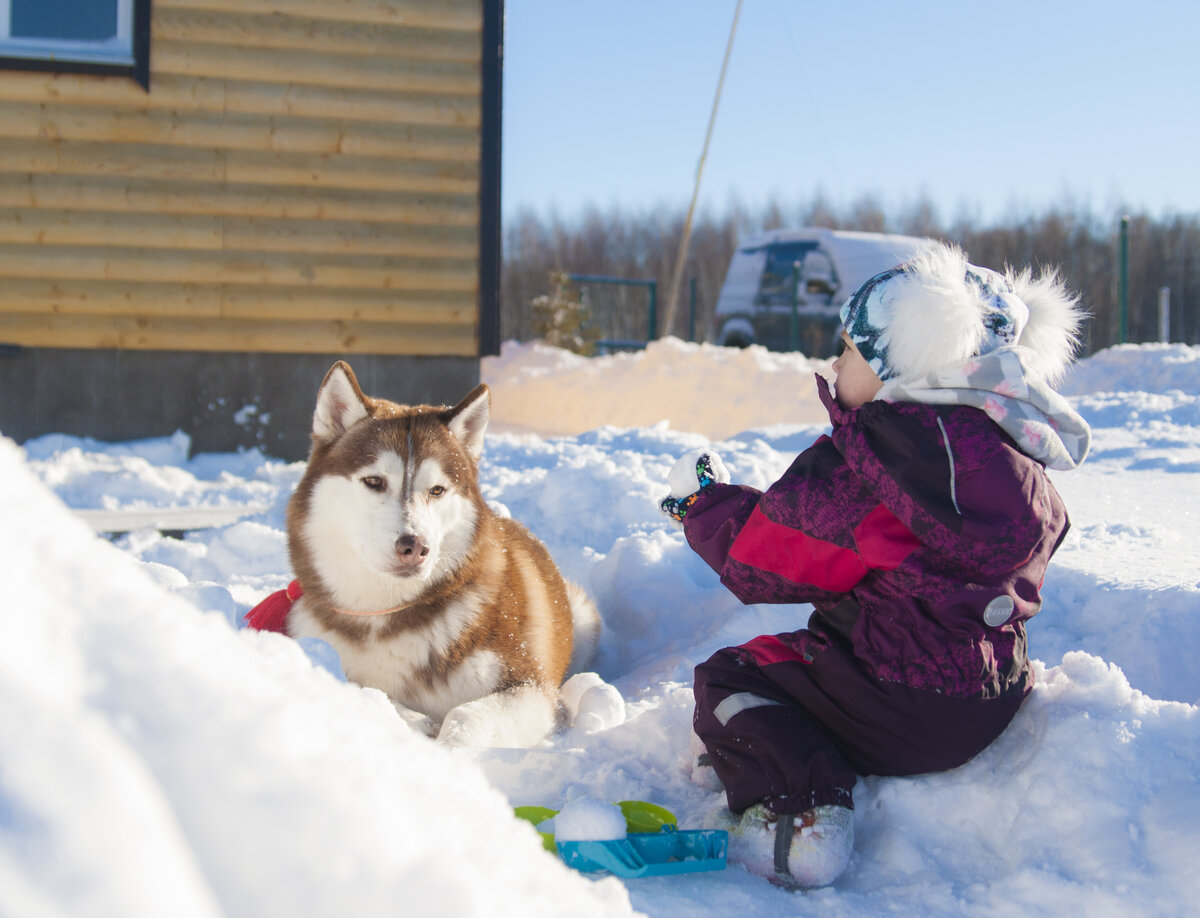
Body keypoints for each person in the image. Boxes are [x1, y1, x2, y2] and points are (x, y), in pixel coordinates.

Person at [659, 242, 1091, 888]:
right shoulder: (1010, 459)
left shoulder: (884, 460)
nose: (834, 364)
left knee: (733, 676)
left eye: (851, 352)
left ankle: (798, 817)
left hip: (898, 702)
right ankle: (780, 749)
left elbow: (764, 556)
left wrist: (703, 505)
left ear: (904, 368)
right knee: (825, 650)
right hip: (990, 697)